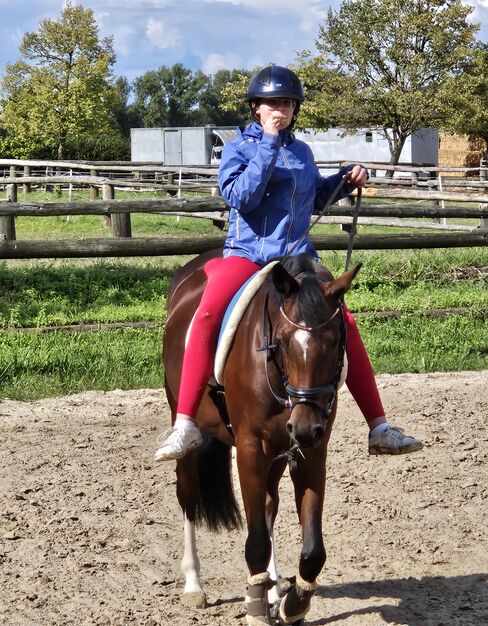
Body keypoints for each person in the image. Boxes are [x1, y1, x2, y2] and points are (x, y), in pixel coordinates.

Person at [155, 65, 423, 462]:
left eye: (287, 103)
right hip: (247, 255)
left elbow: (312, 198)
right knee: (209, 311)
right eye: (273, 103)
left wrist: (345, 181)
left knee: (344, 322)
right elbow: (242, 198)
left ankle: (379, 426)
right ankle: (185, 424)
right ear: (256, 108)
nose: (281, 109)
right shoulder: (239, 149)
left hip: (298, 258)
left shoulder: (302, 152)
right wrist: (268, 142)